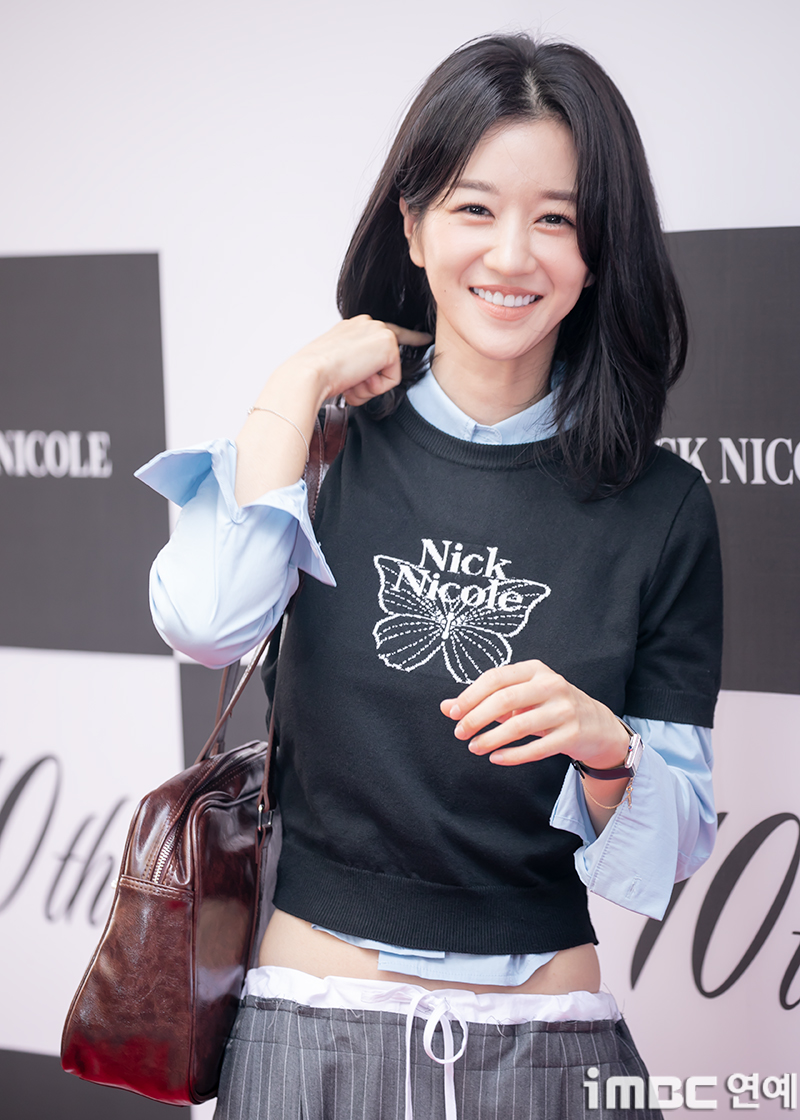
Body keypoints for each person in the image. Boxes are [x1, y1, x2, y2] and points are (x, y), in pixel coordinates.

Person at [137, 33, 721, 1120]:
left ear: (599, 250)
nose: (512, 254)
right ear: (411, 225)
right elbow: (207, 624)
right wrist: (297, 382)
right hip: (309, 1038)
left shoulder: (663, 505)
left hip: (548, 1051)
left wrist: (606, 747)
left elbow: (673, 843)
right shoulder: (318, 446)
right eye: (473, 207)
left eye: (556, 219)